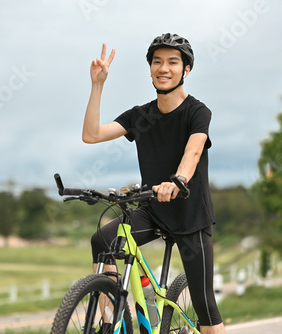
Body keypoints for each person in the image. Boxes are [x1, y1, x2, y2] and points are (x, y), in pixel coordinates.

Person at [82, 33, 225, 334]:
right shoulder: (140, 116)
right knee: (102, 241)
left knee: (205, 307)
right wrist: (97, 85)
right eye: (157, 62)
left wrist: (179, 180)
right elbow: (91, 134)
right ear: (150, 70)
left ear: (186, 70)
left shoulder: (197, 112)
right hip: (153, 209)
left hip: (190, 216)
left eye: (173, 62)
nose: (164, 68)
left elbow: (194, 150)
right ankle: (110, 322)